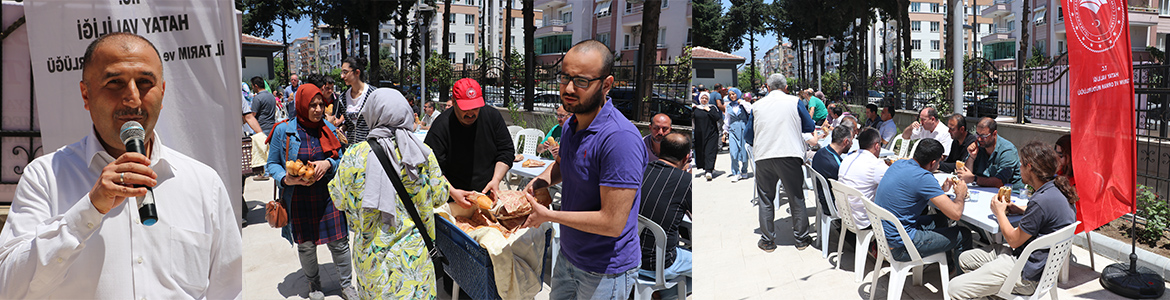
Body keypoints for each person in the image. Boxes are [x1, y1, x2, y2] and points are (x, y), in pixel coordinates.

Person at [0, 32, 242, 298]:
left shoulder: (203, 182)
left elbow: (229, 290)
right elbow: (9, 287)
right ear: (86, 94)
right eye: (115, 82)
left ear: (162, 93)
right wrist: (88, 211)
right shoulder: (46, 176)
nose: (133, 99)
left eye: (145, 82)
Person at [520, 40, 646, 299]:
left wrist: (549, 215)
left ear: (607, 84)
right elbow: (563, 167)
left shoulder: (619, 139)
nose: (567, 88)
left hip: (605, 271)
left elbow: (612, 222)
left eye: (581, 81)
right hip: (569, 256)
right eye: (564, 77)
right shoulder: (571, 123)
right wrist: (540, 183)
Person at [328, 88, 472, 299]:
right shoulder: (422, 154)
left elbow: (338, 200)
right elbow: (441, 196)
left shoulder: (353, 156)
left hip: (372, 263)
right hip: (415, 262)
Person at [948, 142, 1078, 299]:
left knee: (954, 288)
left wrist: (999, 212)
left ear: (1030, 167)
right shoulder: (1057, 190)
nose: (1019, 169)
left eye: (1021, 165)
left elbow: (1013, 241)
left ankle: (995, 286)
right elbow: (1044, 213)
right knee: (965, 259)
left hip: (1027, 273)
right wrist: (1019, 209)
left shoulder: (1040, 201)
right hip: (1038, 265)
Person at [265, 83, 355, 299]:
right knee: (305, 246)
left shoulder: (330, 129)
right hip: (299, 198)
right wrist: (286, 179)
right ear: (301, 105)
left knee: (340, 242)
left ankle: (347, 285)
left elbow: (341, 158)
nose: (317, 110)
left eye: (321, 105)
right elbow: (272, 164)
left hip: (327, 197)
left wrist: (328, 164)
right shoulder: (283, 130)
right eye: (312, 105)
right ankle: (314, 285)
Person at [875, 139, 971, 263]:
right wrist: (960, 194)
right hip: (901, 247)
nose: (938, 166)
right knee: (964, 234)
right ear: (932, 163)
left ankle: (948, 266)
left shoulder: (898, 164)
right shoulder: (924, 177)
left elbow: (915, 190)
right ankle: (959, 280)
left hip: (884, 236)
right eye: (939, 162)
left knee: (941, 220)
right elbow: (956, 214)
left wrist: (941, 190)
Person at [753, 73, 816, 252]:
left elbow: (749, 135)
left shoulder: (756, 105)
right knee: (796, 197)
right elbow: (809, 127)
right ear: (786, 88)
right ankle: (801, 239)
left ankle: (767, 240)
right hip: (789, 153)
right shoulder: (794, 102)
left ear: (767, 87)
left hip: (764, 155)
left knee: (765, 198)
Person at [424, 78, 514, 195]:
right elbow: (431, 166)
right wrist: (453, 192)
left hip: (486, 192)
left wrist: (496, 179)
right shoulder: (441, 126)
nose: (471, 113)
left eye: (475, 107)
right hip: (452, 194)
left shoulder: (492, 116)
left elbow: (506, 151)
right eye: (465, 108)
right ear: (454, 102)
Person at [637, 132, 693, 300]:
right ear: (686, 158)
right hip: (659, 264)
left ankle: (657, 294)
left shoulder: (639, 170)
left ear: (660, 150)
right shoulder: (685, 181)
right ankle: (667, 294)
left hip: (628, 257)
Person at [838, 128, 888, 228]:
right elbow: (897, 183)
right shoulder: (876, 165)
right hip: (863, 220)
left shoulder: (847, 158)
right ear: (877, 146)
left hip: (843, 214)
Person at [958, 117, 1023, 190]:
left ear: (994, 134)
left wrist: (974, 179)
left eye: (983, 136)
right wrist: (972, 157)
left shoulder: (1008, 150)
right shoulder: (978, 146)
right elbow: (965, 175)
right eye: (977, 135)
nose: (979, 139)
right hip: (983, 190)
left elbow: (1000, 182)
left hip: (1010, 194)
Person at [811, 125, 854, 214]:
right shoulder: (834, 164)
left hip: (821, 199)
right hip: (831, 206)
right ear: (846, 141)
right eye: (851, 141)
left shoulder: (821, 152)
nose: (852, 144)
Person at [340, 57, 377, 143]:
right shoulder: (343, 98)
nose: (342, 76)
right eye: (342, 72)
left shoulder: (373, 94)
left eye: (345, 72)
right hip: (352, 150)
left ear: (357, 72)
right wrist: (342, 128)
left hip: (370, 149)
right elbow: (350, 124)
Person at [693, 92, 722, 181]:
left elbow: (717, 117)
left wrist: (708, 110)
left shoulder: (712, 108)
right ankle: (705, 167)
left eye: (706, 98)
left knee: (710, 151)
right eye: (703, 98)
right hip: (700, 134)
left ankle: (709, 170)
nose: (704, 100)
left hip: (711, 134)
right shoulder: (696, 109)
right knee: (701, 151)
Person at [727, 88, 753, 182]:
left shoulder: (744, 103)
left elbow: (751, 111)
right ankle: (736, 172)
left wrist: (742, 102)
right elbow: (727, 119)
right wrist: (725, 131)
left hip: (743, 129)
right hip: (733, 130)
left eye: (733, 94)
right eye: (730, 95)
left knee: (744, 151)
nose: (732, 96)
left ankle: (744, 170)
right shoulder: (728, 106)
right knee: (733, 152)